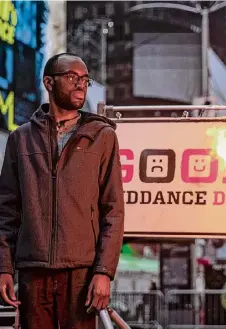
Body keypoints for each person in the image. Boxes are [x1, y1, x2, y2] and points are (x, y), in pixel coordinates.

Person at [0, 53, 124, 329]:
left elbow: (113, 210)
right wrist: (4, 267)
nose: (81, 85)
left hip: (81, 272)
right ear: (48, 82)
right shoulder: (20, 139)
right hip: (33, 271)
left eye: (84, 79)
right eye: (72, 77)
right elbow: (6, 211)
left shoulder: (101, 137)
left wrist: (104, 272)